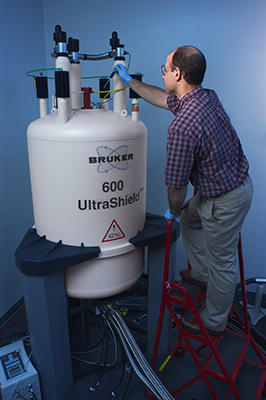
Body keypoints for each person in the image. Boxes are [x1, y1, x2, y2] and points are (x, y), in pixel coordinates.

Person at [114, 46, 253, 335]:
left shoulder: (182, 127)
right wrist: (131, 83)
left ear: (177, 73)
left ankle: (213, 321)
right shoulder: (204, 97)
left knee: (222, 264)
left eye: (165, 69)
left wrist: (173, 210)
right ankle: (202, 274)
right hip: (228, 184)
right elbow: (163, 98)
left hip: (225, 200)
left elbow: (176, 188)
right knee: (190, 221)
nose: (163, 73)